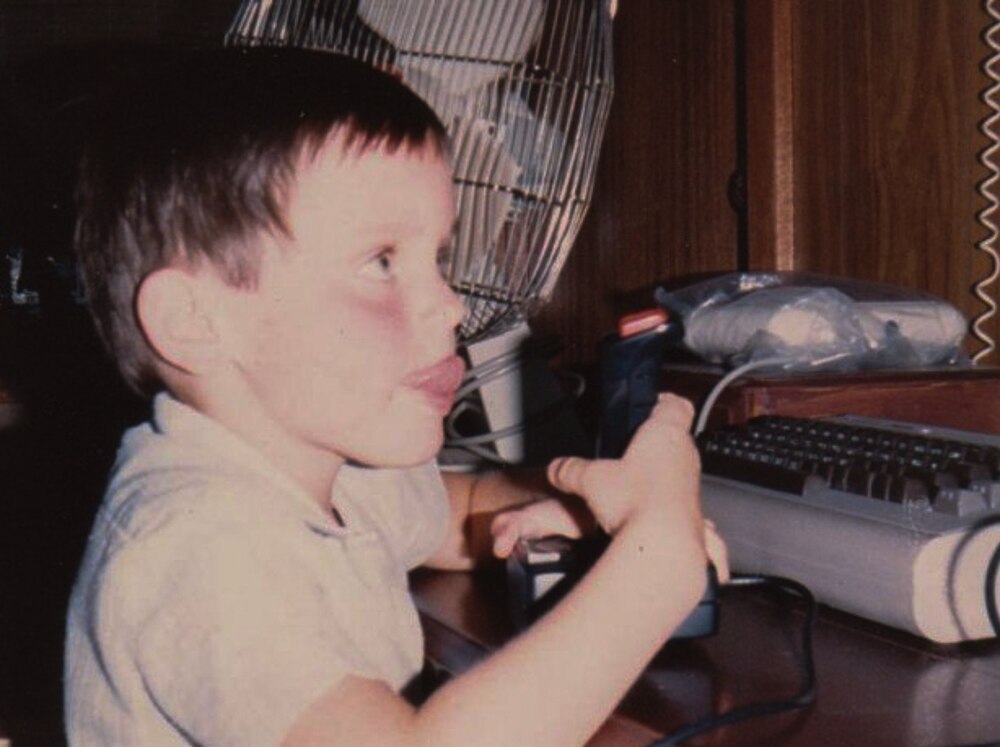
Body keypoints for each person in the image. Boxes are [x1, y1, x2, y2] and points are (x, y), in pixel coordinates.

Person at [65, 47, 727, 747]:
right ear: (194, 322)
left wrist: (587, 500)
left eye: (437, 258)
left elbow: (457, 512)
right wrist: (657, 563)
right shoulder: (191, 549)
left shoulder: (325, 470)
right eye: (381, 261)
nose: (449, 306)